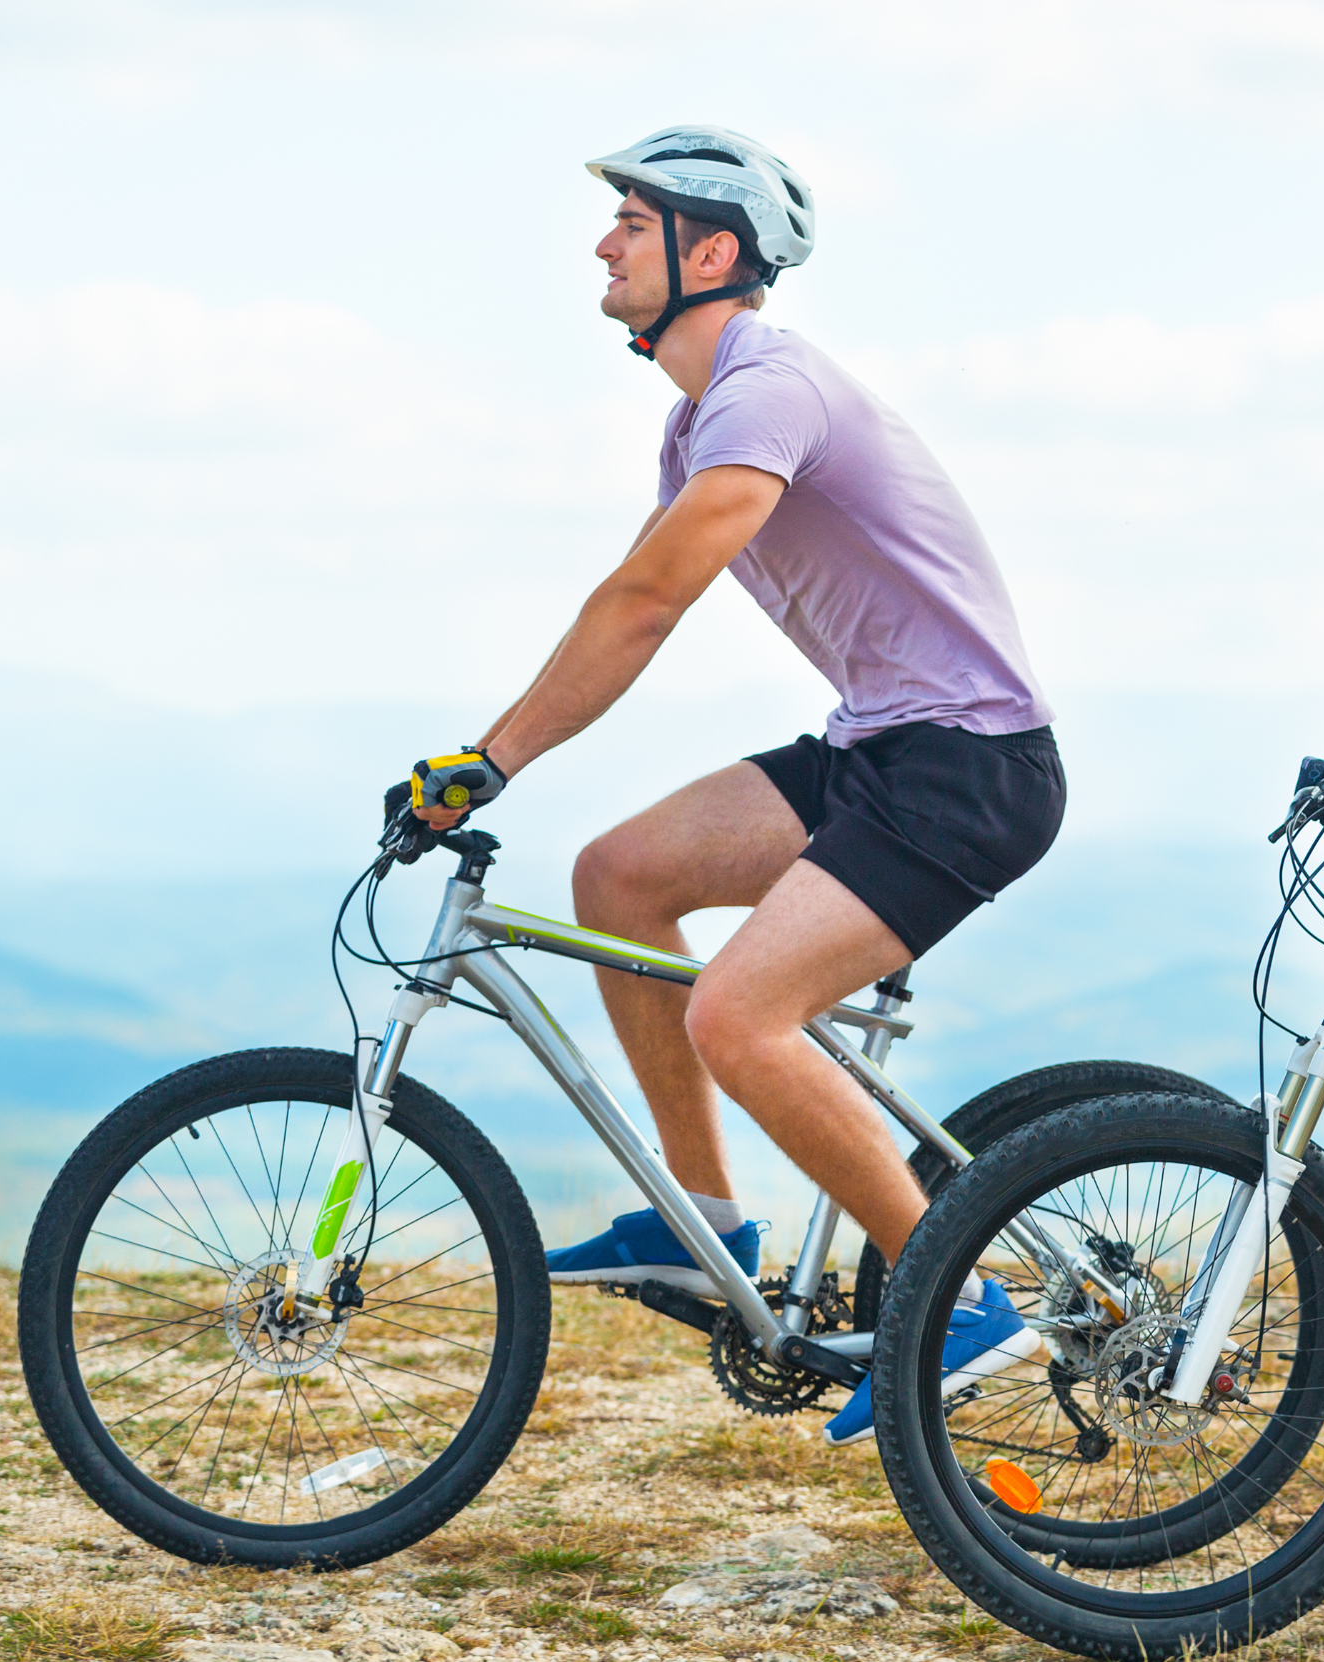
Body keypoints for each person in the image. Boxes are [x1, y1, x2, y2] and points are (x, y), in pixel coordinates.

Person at [397, 125, 1061, 1443]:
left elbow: (646, 602)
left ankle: (963, 1299)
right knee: (621, 876)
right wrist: (503, 754)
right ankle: (703, 1224)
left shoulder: (770, 392)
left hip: (968, 768)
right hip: (882, 749)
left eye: (630, 224)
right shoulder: (699, 421)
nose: (602, 243)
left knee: (740, 1016)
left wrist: (492, 757)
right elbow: (631, 613)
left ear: (713, 252)